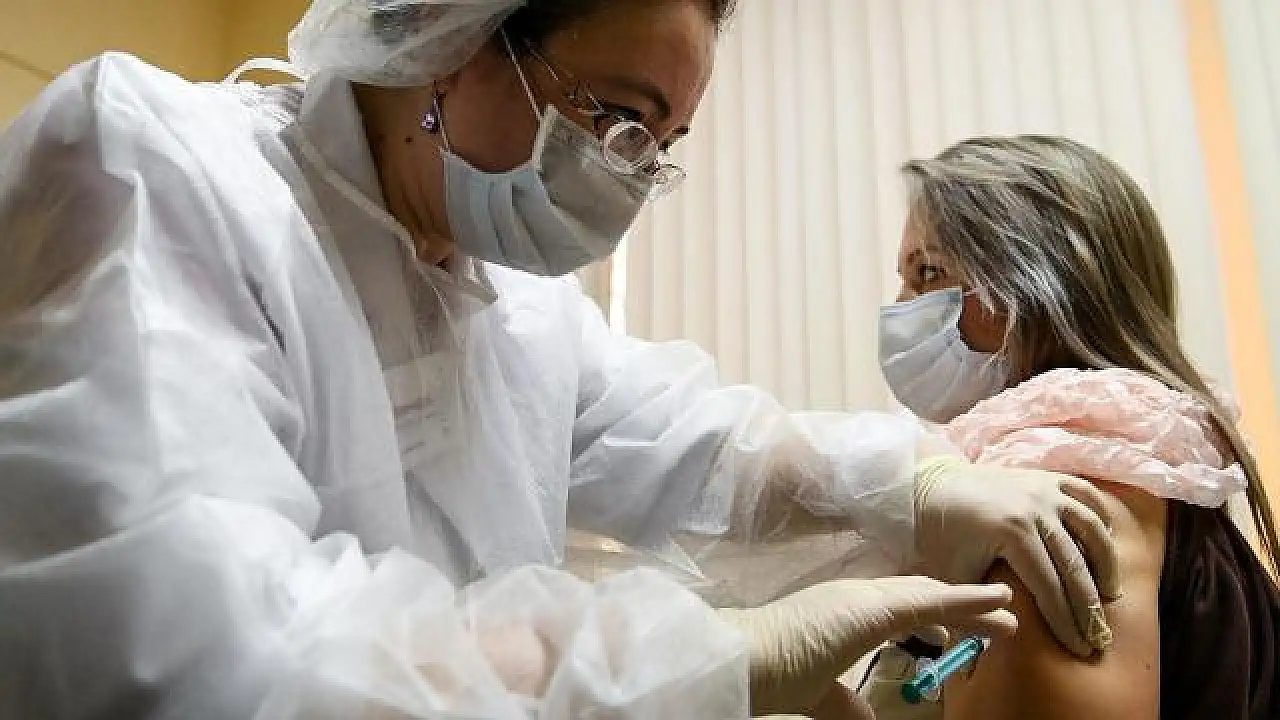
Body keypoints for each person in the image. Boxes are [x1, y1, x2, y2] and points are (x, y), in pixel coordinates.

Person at [0, 2, 1119, 717]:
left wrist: (916, 488)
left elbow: (699, 449)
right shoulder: (160, 170)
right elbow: (201, 659)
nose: (629, 181)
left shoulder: (514, 305)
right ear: (455, 35)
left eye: (660, 149)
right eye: (619, 121)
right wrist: (706, 663)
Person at [867, 135, 1280, 719]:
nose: (901, 305)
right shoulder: (1146, 466)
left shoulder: (1052, 495)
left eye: (929, 271)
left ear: (1043, 288)